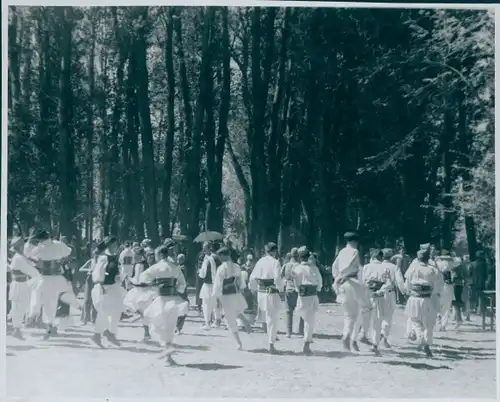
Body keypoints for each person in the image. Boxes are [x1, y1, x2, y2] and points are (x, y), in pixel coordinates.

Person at [28, 229, 81, 340]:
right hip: (56, 278)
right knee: (51, 302)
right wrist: (61, 261)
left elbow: (30, 255)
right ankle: (49, 325)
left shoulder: (41, 247)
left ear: (41, 239)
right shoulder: (58, 244)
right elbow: (69, 252)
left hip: (45, 277)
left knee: (38, 295)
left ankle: (36, 316)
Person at [140, 245, 187, 365]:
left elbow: (143, 277)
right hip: (173, 299)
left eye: (156, 255)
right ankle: (168, 355)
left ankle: (166, 348)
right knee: (170, 327)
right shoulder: (175, 267)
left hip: (161, 299)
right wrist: (177, 288)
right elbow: (182, 284)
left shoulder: (157, 267)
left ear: (160, 255)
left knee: (154, 323)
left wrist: (153, 282)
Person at [331, 232, 372, 352]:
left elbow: (335, 267)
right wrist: (346, 275)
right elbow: (349, 266)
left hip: (343, 283)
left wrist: (338, 277)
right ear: (354, 241)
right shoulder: (354, 251)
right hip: (352, 282)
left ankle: (348, 336)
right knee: (366, 308)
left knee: (350, 314)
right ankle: (359, 335)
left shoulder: (341, 252)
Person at [404, 249, 443, 358]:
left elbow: (406, 285)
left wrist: (409, 292)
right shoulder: (433, 270)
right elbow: (438, 287)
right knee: (428, 324)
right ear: (428, 258)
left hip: (414, 298)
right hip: (427, 298)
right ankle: (425, 342)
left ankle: (422, 339)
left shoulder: (412, 268)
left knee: (415, 320)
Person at [212, 247, 252, 349]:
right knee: (236, 309)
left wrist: (216, 297)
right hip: (235, 292)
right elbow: (241, 281)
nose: (220, 258)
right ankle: (244, 320)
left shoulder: (221, 268)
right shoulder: (236, 266)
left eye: (220, 256)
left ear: (224, 256)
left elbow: (218, 284)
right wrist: (242, 289)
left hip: (226, 294)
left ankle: (239, 343)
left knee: (230, 318)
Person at [90, 236, 126, 347]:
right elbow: (98, 273)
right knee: (104, 312)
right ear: (108, 245)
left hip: (114, 287)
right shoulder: (103, 257)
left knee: (116, 311)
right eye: (113, 245)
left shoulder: (116, 257)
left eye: (116, 245)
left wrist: (120, 277)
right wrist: (103, 282)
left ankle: (111, 333)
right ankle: (96, 335)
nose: (115, 247)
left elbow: (120, 271)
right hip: (104, 288)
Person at [249, 242, 283, 354]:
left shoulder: (260, 261)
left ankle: (270, 337)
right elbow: (277, 278)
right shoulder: (275, 262)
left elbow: (253, 277)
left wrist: (253, 288)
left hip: (261, 292)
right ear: (274, 251)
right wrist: (281, 289)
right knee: (272, 318)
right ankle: (271, 344)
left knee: (266, 315)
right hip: (271, 292)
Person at [9, 237, 42, 340]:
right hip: (18, 284)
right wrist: (37, 273)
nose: (23, 246)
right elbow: (30, 270)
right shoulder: (18, 257)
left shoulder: (20, 256)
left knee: (21, 307)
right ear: (18, 246)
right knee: (18, 307)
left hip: (22, 284)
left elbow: (30, 265)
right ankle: (16, 330)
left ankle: (16, 329)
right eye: (21, 245)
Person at [292, 246, 323, 355]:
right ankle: (306, 343)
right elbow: (319, 282)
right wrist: (318, 288)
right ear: (308, 256)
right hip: (312, 296)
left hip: (302, 296)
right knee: (310, 321)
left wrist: (298, 289)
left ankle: (305, 340)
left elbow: (296, 284)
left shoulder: (297, 269)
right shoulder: (313, 268)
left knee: (304, 317)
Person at [361, 249, 393, 354]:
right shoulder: (384, 267)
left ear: (372, 257)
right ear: (381, 257)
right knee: (377, 320)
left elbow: (361, 282)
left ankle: (363, 334)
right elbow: (389, 284)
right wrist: (380, 291)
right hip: (378, 296)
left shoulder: (366, 267)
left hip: (367, 294)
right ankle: (375, 344)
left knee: (365, 316)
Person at [380, 248, 404, 347]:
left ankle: (378, 336)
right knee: (388, 316)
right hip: (389, 293)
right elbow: (399, 281)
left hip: (377, 292)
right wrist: (404, 291)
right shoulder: (394, 267)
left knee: (378, 316)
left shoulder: (378, 266)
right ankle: (383, 336)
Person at [81, 242, 106, 325]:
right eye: (95, 255)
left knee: (96, 299)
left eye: (97, 255)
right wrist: (89, 270)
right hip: (89, 280)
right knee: (87, 299)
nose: (95, 256)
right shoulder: (90, 261)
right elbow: (81, 269)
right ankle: (85, 318)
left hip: (97, 281)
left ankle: (94, 319)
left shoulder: (102, 262)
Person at [281, 248, 304, 337]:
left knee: (288, 311)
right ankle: (301, 330)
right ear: (298, 256)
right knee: (302, 310)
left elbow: (280, 275)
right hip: (299, 290)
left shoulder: (286, 265)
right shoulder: (300, 266)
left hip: (289, 289)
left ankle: (288, 332)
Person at [435, 249, 459, 331]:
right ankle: (443, 325)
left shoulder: (438, 262)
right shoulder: (451, 262)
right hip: (448, 285)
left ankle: (439, 320)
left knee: (439, 304)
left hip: (439, 285)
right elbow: (458, 260)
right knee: (447, 306)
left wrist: (440, 257)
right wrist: (452, 256)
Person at [198, 242, 220, 330]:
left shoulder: (207, 259)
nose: (203, 250)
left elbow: (202, 274)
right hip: (216, 283)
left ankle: (207, 323)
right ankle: (217, 321)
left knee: (206, 303)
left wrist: (199, 271)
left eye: (204, 248)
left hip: (208, 283)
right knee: (216, 303)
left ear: (209, 248)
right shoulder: (217, 258)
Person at [176, 253, 189, 333]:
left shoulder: (181, 268)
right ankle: (178, 326)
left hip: (180, 289)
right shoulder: (180, 268)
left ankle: (178, 326)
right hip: (181, 290)